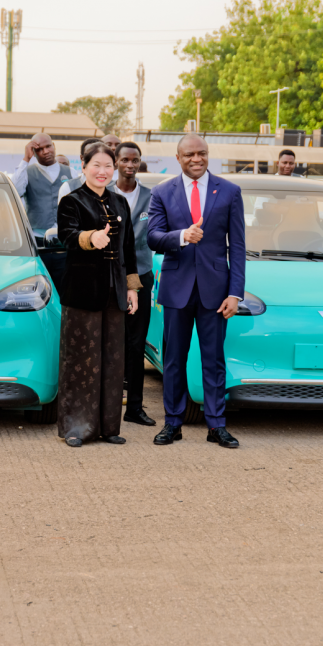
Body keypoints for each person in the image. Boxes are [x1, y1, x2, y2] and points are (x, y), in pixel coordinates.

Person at [148, 134, 245, 448]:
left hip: (216, 292)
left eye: (201, 153)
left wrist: (235, 293)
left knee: (213, 359)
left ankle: (216, 425)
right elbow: (153, 237)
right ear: (178, 157)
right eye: (189, 154)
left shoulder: (229, 191)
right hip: (176, 289)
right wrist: (182, 236)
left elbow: (238, 247)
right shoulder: (162, 192)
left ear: (208, 155)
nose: (196, 159)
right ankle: (173, 424)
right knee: (174, 359)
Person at [56, 142, 139, 447]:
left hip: (114, 292)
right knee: (81, 360)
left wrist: (132, 288)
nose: (102, 172)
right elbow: (66, 235)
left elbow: (128, 249)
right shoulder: (72, 201)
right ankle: (77, 428)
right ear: (83, 167)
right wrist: (93, 237)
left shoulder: (120, 203)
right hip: (81, 293)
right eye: (96, 166)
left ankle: (107, 427)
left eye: (108, 166)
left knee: (112, 361)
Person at [112, 142, 156, 426]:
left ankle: (135, 408)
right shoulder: (104, 195)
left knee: (136, 342)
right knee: (111, 340)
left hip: (142, 275)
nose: (130, 165)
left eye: (135, 160)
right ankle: (108, 405)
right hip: (110, 276)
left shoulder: (152, 197)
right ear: (116, 161)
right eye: (125, 159)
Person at [11, 133, 74, 289]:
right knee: (39, 288)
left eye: (48, 146)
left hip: (64, 243)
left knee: (64, 288)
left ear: (54, 146)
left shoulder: (70, 172)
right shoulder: (27, 171)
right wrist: (26, 159)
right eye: (39, 149)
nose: (46, 151)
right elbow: (15, 190)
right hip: (38, 244)